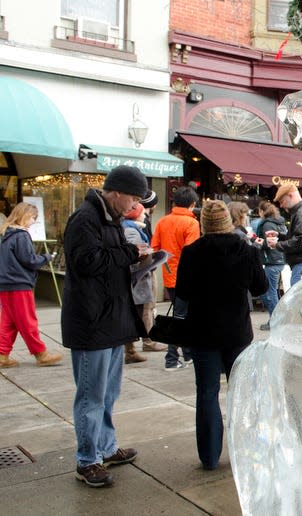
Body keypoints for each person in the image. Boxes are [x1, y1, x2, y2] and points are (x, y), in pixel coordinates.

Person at [62, 165, 150, 487]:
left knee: (108, 393)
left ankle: (106, 446)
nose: (134, 206)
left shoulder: (111, 219)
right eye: (133, 198)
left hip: (111, 321)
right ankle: (88, 460)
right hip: (91, 323)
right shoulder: (86, 219)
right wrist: (128, 252)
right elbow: (87, 261)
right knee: (91, 396)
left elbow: (107, 261)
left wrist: (138, 259)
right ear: (115, 192)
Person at [175, 200, 267, 470]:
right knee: (240, 393)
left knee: (207, 392)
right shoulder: (246, 250)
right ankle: (246, 451)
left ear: (204, 224)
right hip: (237, 332)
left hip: (203, 332)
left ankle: (210, 456)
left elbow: (181, 292)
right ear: (228, 222)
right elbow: (260, 287)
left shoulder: (192, 252)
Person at [0, 202, 62, 368]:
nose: (33, 222)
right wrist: (47, 257)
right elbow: (29, 260)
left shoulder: (6, 234)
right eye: (33, 218)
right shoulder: (21, 235)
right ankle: (40, 353)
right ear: (25, 215)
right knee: (27, 320)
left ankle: (2, 355)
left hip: (6, 284)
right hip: (19, 284)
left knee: (9, 322)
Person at [151, 186, 200, 370]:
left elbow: (154, 248)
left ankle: (187, 355)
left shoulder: (163, 221)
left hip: (169, 276)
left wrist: (167, 267)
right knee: (181, 317)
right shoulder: (192, 224)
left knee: (181, 315)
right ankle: (171, 358)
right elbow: (191, 254)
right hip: (187, 277)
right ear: (193, 204)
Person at [121, 203, 166, 362]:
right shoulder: (131, 230)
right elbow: (133, 254)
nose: (144, 215)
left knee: (142, 310)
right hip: (138, 278)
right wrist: (149, 255)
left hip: (140, 277)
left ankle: (133, 349)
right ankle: (135, 348)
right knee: (140, 311)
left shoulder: (132, 227)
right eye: (141, 213)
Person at [267, 184, 302, 286]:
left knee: (300, 300)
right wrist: (280, 235)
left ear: (290, 195)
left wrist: (277, 245)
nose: (281, 205)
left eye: (282, 201)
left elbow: (301, 241)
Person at [136, 190, 166, 354]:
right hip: (145, 269)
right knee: (148, 305)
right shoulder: (142, 223)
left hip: (144, 269)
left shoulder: (142, 222)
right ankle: (149, 340)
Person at [257, 200, 287, 330]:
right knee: (273, 291)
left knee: (269, 293)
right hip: (279, 259)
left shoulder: (267, 224)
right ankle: (278, 319)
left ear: (262, 211)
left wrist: (255, 241)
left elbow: (269, 243)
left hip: (272, 260)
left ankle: (275, 321)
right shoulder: (279, 221)